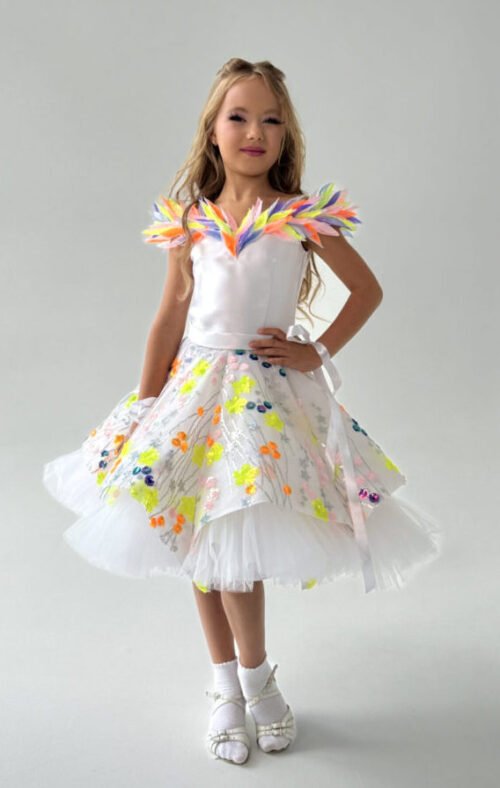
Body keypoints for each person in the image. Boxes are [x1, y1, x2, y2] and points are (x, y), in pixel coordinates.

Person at [42, 57, 443, 766]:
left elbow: (367, 291)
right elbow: (169, 317)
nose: (254, 131)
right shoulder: (189, 222)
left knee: (235, 537)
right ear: (213, 130)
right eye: (239, 117)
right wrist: (144, 405)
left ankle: (258, 680)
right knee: (196, 535)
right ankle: (227, 684)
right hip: (192, 393)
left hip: (261, 401)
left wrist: (316, 350)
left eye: (270, 119)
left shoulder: (301, 218)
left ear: (285, 135)